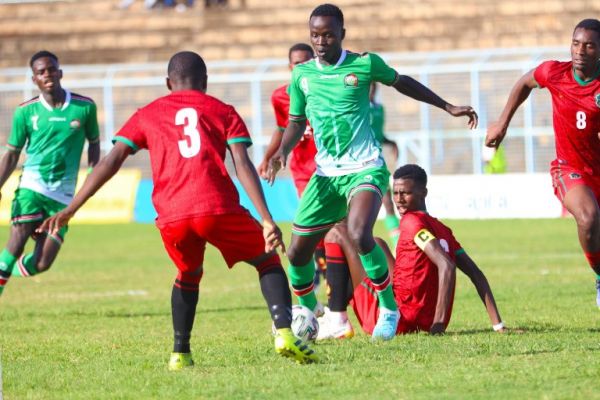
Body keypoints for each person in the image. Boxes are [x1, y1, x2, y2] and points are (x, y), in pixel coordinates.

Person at [37, 51, 317, 369]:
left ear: (168, 83)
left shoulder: (148, 113)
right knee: (267, 260)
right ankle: (283, 332)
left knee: (188, 274)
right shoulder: (223, 110)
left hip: (172, 216)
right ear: (206, 82)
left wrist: (72, 209)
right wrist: (267, 219)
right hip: (217, 208)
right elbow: (242, 164)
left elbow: (111, 161)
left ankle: (180, 354)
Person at [267, 3, 478, 340]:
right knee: (296, 251)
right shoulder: (302, 75)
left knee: (359, 233)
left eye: (328, 35)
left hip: (365, 167)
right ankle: (307, 311)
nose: (321, 41)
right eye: (315, 35)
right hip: (326, 175)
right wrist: (281, 152)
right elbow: (295, 122)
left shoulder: (363, 64)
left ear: (342, 35)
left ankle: (388, 309)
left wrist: (447, 106)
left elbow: (402, 82)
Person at [486, 18, 600, 306]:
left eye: (588, 45)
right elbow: (525, 82)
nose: (579, 51)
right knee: (588, 218)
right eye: (576, 43)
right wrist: (502, 123)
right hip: (568, 168)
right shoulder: (555, 72)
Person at [317, 164, 505, 339]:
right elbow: (476, 274)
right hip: (417, 318)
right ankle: (337, 307)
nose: (399, 199)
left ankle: (337, 319)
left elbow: (446, 266)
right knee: (377, 244)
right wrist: (498, 325)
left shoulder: (411, 221)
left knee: (336, 233)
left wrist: (438, 325)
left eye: (405, 193)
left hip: (393, 319)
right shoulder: (444, 231)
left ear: (423, 193)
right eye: (396, 193)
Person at [0, 50, 100, 297]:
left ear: (60, 72)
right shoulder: (25, 112)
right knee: (18, 237)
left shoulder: (84, 107)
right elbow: (12, 154)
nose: (47, 75)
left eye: (51, 69)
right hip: (31, 188)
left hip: (63, 197)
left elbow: (94, 142)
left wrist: (93, 172)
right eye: (41, 72)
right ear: (34, 79)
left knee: (42, 264)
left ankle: (5, 267)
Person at [257, 43, 329, 295]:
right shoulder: (280, 96)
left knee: (338, 225)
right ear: (290, 67)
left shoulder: (325, 89)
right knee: (315, 224)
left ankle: (333, 272)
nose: (301, 66)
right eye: (296, 63)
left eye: (306, 61)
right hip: (302, 170)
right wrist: (269, 156)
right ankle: (326, 273)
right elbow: (281, 128)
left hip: (331, 166)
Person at [369, 82, 400, 246]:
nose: (371, 90)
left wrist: (391, 142)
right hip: (360, 164)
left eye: (373, 87)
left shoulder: (379, 109)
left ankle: (397, 244)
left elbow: (378, 135)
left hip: (377, 162)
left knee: (388, 202)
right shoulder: (359, 108)